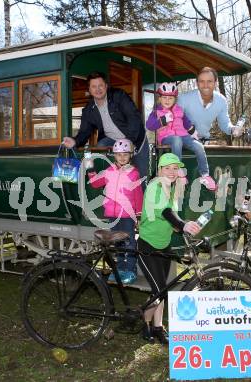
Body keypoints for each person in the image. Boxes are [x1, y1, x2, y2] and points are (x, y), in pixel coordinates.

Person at [137, 153, 201, 344]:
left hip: (164, 244)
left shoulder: (170, 188)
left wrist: (184, 224)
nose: (172, 172)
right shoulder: (155, 186)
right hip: (148, 245)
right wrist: (182, 225)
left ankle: (158, 327)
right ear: (160, 170)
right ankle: (145, 324)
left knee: (163, 288)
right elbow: (165, 211)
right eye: (167, 168)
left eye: (175, 168)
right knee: (158, 292)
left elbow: (170, 218)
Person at [62, 71, 149, 181]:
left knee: (141, 178)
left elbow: (133, 117)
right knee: (101, 144)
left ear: (106, 86)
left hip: (136, 140)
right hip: (112, 140)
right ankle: (108, 180)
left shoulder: (119, 96)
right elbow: (84, 132)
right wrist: (74, 141)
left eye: (100, 85)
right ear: (89, 90)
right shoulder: (89, 110)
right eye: (94, 86)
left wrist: (129, 142)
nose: (98, 89)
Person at [88, 138, 143, 284]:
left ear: (131, 155)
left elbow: (138, 195)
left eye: (125, 154)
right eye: (119, 154)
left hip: (127, 215)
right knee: (118, 244)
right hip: (113, 216)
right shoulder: (108, 171)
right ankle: (120, 270)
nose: (122, 157)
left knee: (129, 244)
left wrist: (138, 215)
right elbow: (94, 183)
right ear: (114, 155)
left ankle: (131, 271)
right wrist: (90, 169)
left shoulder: (134, 173)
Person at [146, 82, 216, 191]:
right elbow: (149, 125)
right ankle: (178, 171)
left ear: (175, 99)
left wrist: (193, 132)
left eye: (170, 98)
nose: (167, 100)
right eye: (164, 97)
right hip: (167, 137)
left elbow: (186, 122)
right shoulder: (157, 112)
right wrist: (163, 120)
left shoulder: (179, 110)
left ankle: (205, 175)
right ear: (160, 98)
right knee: (176, 140)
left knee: (198, 146)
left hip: (183, 135)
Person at [177, 67, 244, 141]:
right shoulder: (183, 99)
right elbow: (174, 121)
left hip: (204, 141)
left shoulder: (221, 100)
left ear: (215, 83)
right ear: (197, 83)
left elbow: (225, 123)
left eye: (209, 81)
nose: (205, 85)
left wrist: (233, 129)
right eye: (202, 81)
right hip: (182, 142)